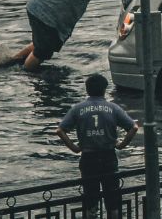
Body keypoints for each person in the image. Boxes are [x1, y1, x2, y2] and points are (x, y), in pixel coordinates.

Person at [9, 0, 131, 72]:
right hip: (44, 12)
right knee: (43, 51)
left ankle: (14, 60)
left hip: (42, 9)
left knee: (42, 42)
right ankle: (26, 72)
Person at [57, 73, 140, 219]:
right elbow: (133, 128)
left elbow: (60, 130)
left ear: (87, 90)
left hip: (88, 157)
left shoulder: (78, 108)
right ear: (104, 90)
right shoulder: (113, 108)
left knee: (90, 200)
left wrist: (74, 148)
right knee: (113, 201)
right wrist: (121, 145)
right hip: (109, 156)